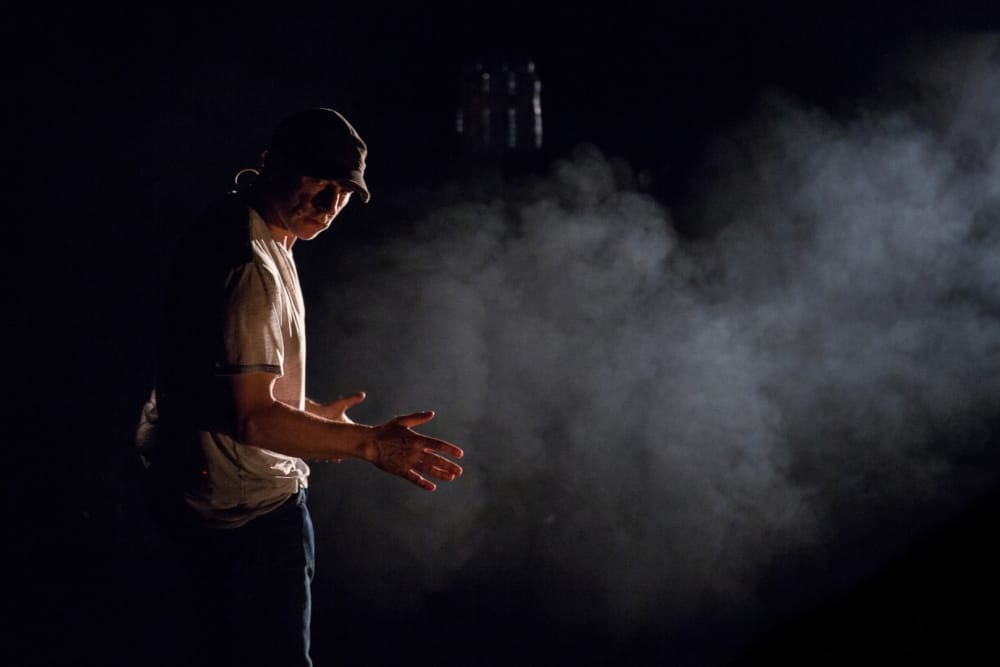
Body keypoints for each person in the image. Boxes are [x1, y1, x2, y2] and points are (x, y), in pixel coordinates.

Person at [136, 107, 464, 667]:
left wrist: (309, 414)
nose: (330, 203)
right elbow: (255, 421)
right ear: (275, 166)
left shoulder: (260, 234)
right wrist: (368, 443)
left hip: (207, 509)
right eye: (319, 181)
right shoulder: (251, 264)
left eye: (343, 191)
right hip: (249, 520)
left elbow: (228, 382)